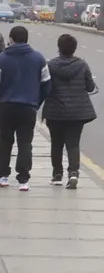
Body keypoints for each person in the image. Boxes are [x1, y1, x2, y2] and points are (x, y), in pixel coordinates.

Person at [0, 26, 51, 190]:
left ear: (11, 39)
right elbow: (46, 84)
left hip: (7, 106)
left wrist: (0, 98)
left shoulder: (2, 58)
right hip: (28, 107)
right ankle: (23, 179)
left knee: (5, 141)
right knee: (25, 143)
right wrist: (36, 101)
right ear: (26, 39)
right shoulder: (38, 58)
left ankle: (3, 176)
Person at [42, 34, 96, 189]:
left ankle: (57, 174)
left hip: (55, 111)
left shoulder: (50, 66)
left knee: (56, 144)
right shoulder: (82, 65)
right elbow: (90, 87)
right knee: (73, 144)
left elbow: (45, 86)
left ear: (59, 48)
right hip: (77, 112)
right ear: (74, 48)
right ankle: (73, 174)